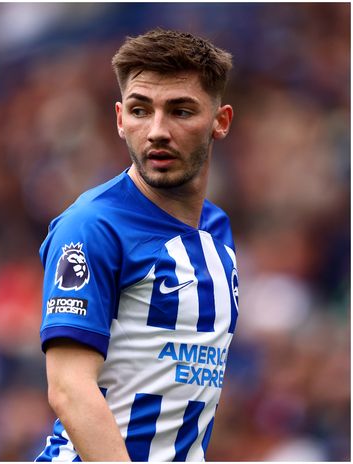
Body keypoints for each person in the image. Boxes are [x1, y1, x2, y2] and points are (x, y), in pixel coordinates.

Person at [35, 29, 237, 462]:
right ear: (120, 118)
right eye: (140, 110)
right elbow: (69, 390)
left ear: (220, 121)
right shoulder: (90, 228)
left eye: (181, 111)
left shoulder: (217, 232)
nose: (157, 131)